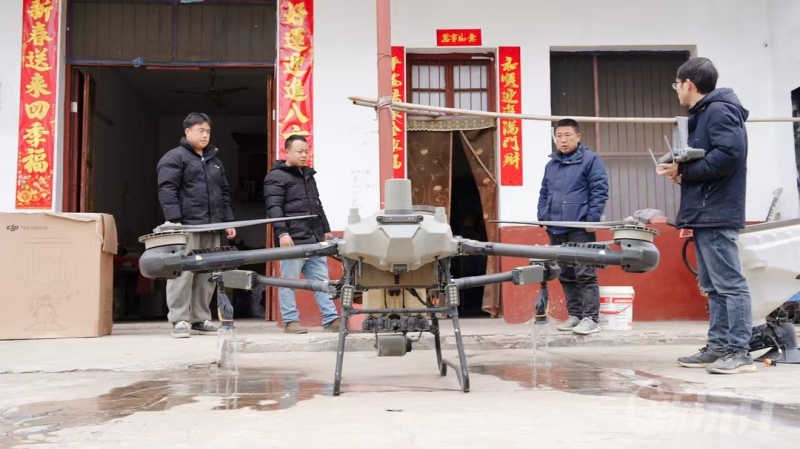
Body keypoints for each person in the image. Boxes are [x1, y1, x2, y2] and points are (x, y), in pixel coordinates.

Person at [656, 57, 755, 374]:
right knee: (712, 285)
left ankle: (739, 351)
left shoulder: (719, 110)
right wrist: (681, 170)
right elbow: (710, 159)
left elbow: (730, 155)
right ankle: (719, 347)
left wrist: (685, 171)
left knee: (730, 284)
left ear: (689, 84)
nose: (676, 90)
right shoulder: (704, 113)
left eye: (676, 84)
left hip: (717, 211)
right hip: (705, 210)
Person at [156, 112, 236, 338]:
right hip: (187, 226)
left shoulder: (215, 161)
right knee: (182, 272)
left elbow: (224, 193)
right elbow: (167, 190)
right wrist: (175, 219)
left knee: (207, 274)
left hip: (212, 226)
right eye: (200, 130)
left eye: (208, 131)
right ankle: (179, 320)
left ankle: (200, 319)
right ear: (187, 131)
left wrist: (228, 221)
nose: (205, 135)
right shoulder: (174, 158)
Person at [537, 118, 609, 335]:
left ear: (578, 137)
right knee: (566, 274)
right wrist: (543, 217)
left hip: (580, 227)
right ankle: (575, 315)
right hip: (556, 227)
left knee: (585, 272)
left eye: (567, 135)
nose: (563, 140)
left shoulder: (591, 160)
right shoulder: (551, 165)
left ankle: (591, 318)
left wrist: (592, 219)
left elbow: (599, 190)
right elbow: (544, 192)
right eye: (559, 136)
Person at [264, 135, 341, 334]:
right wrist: (282, 233)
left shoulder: (308, 176)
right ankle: (290, 321)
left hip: (314, 239)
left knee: (322, 282)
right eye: (299, 151)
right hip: (293, 240)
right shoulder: (275, 176)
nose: (304, 155)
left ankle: (331, 319)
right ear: (287, 152)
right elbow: (274, 208)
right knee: (288, 282)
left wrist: (326, 229)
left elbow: (317, 205)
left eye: (306, 151)